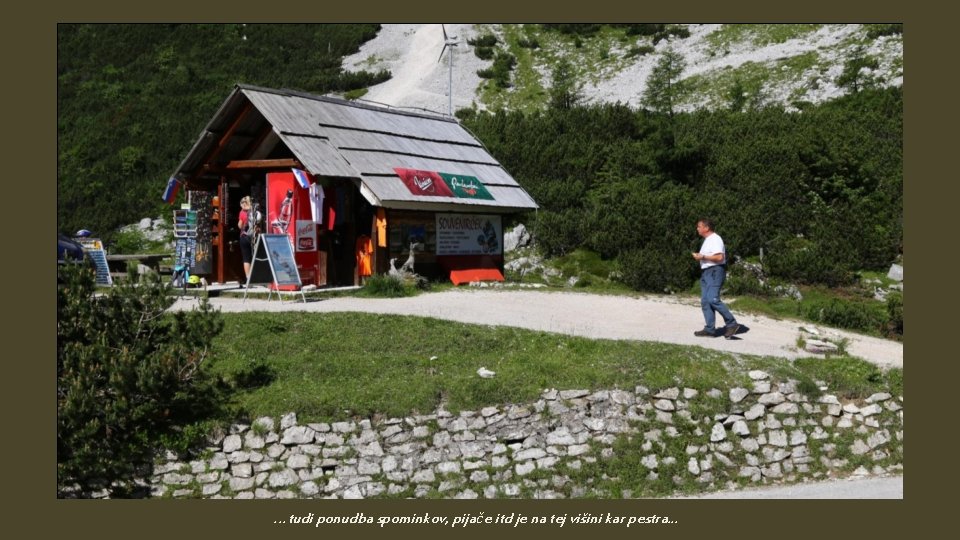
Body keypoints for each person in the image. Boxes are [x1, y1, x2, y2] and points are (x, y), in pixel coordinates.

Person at [692, 218, 740, 338]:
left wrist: (702, 256)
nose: (697, 228)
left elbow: (719, 258)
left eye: (699, 226)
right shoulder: (708, 240)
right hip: (706, 272)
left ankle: (732, 323)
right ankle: (710, 329)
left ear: (706, 228)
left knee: (712, 299)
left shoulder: (715, 239)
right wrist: (701, 257)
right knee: (705, 301)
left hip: (715, 271)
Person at [238, 196, 259, 278]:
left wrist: (242, 225)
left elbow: (239, 225)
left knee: (246, 258)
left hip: (244, 236)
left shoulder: (242, 212)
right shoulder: (255, 211)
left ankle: (248, 278)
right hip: (254, 237)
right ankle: (256, 276)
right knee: (254, 256)